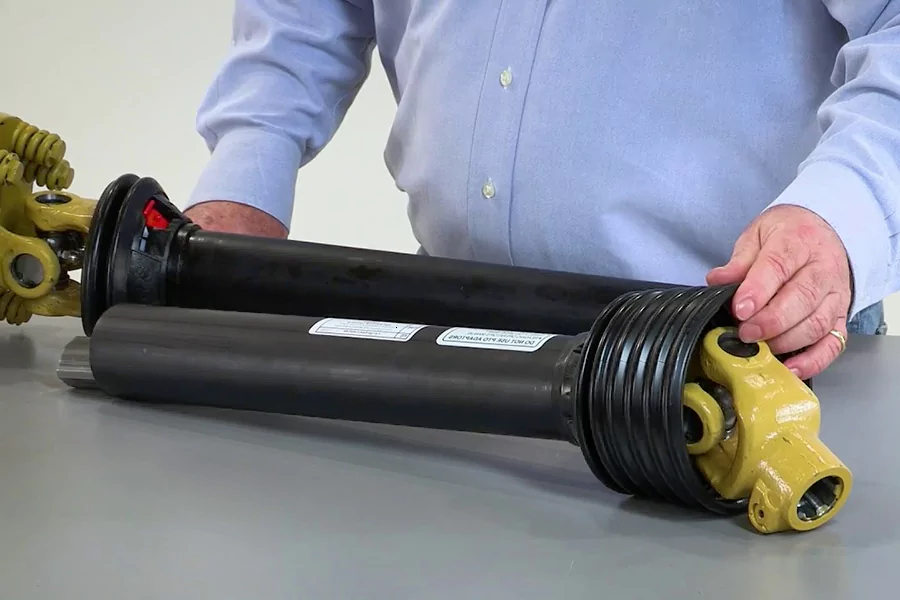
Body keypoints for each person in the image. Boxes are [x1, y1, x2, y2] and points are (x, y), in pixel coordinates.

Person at [184, 2, 900, 380]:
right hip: (450, 336)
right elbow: (303, 14)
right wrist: (246, 177)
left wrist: (839, 215)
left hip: (749, 348)